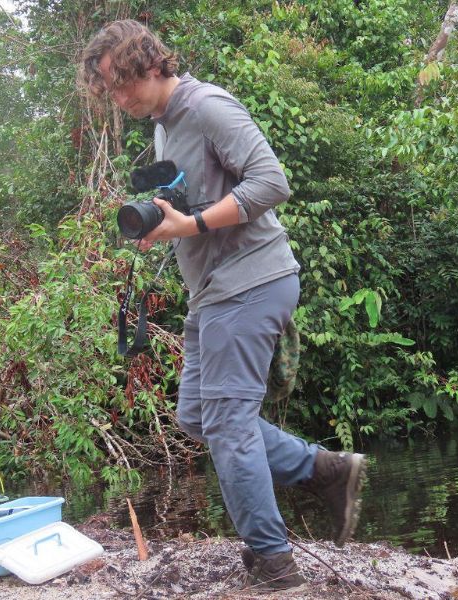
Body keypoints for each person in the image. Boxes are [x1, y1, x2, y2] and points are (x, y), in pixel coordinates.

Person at [79, 20, 368, 591]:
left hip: (253, 281)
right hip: (212, 292)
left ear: (149, 62)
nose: (117, 98)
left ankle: (274, 561)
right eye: (108, 90)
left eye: (120, 83)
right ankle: (328, 469)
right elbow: (193, 206)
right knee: (196, 416)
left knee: (230, 424)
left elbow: (273, 182)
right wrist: (166, 224)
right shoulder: (164, 129)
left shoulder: (209, 107)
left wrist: (198, 221)